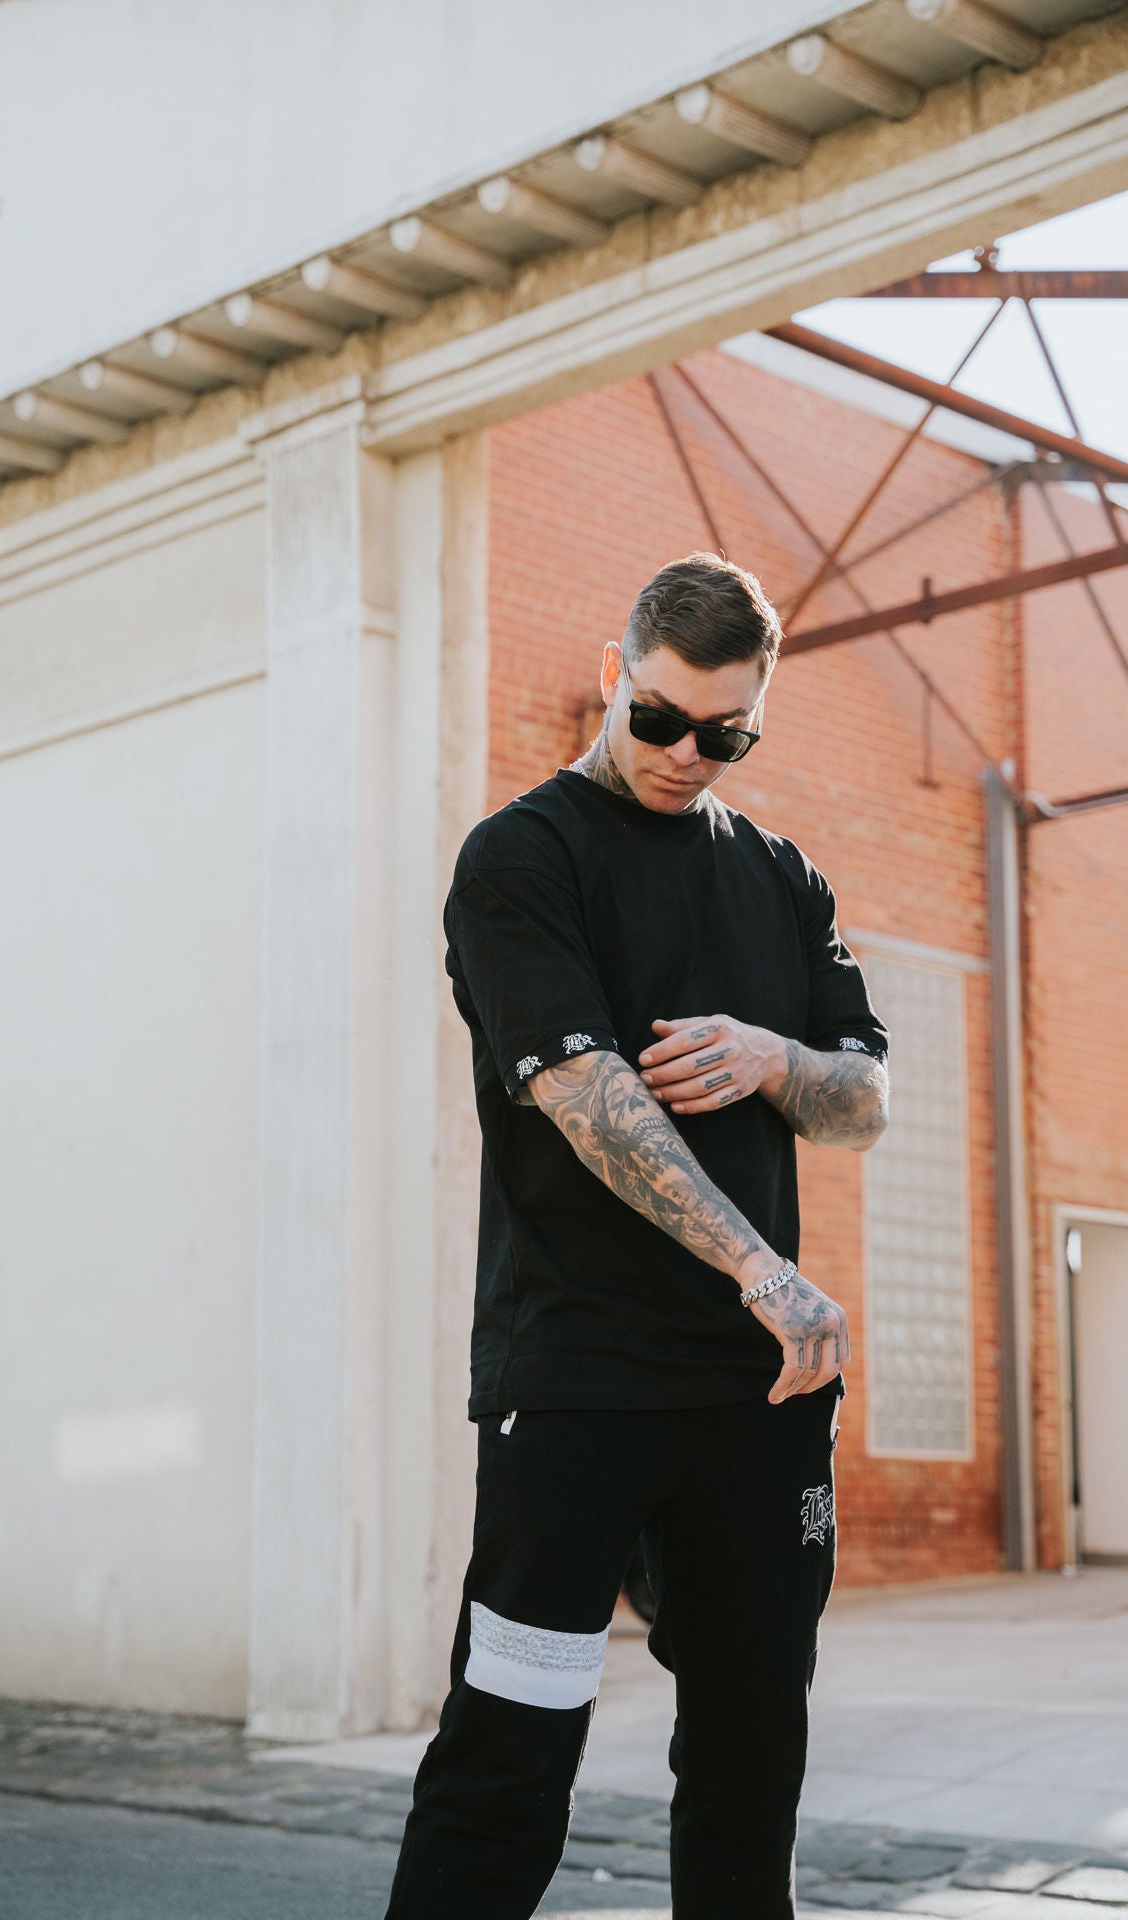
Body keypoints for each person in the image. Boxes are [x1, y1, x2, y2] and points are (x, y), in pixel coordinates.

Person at [384, 552, 889, 1920]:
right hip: (581, 1387)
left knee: (747, 1759)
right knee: (508, 1757)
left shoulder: (783, 878)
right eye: (659, 719)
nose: (684, 755)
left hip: (757, 1401)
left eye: (722, 737)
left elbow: (861, 1102)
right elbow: (581, 1093)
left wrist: (774, 1054)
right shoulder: (522, 857)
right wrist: (762, 1269)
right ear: (615, 676)